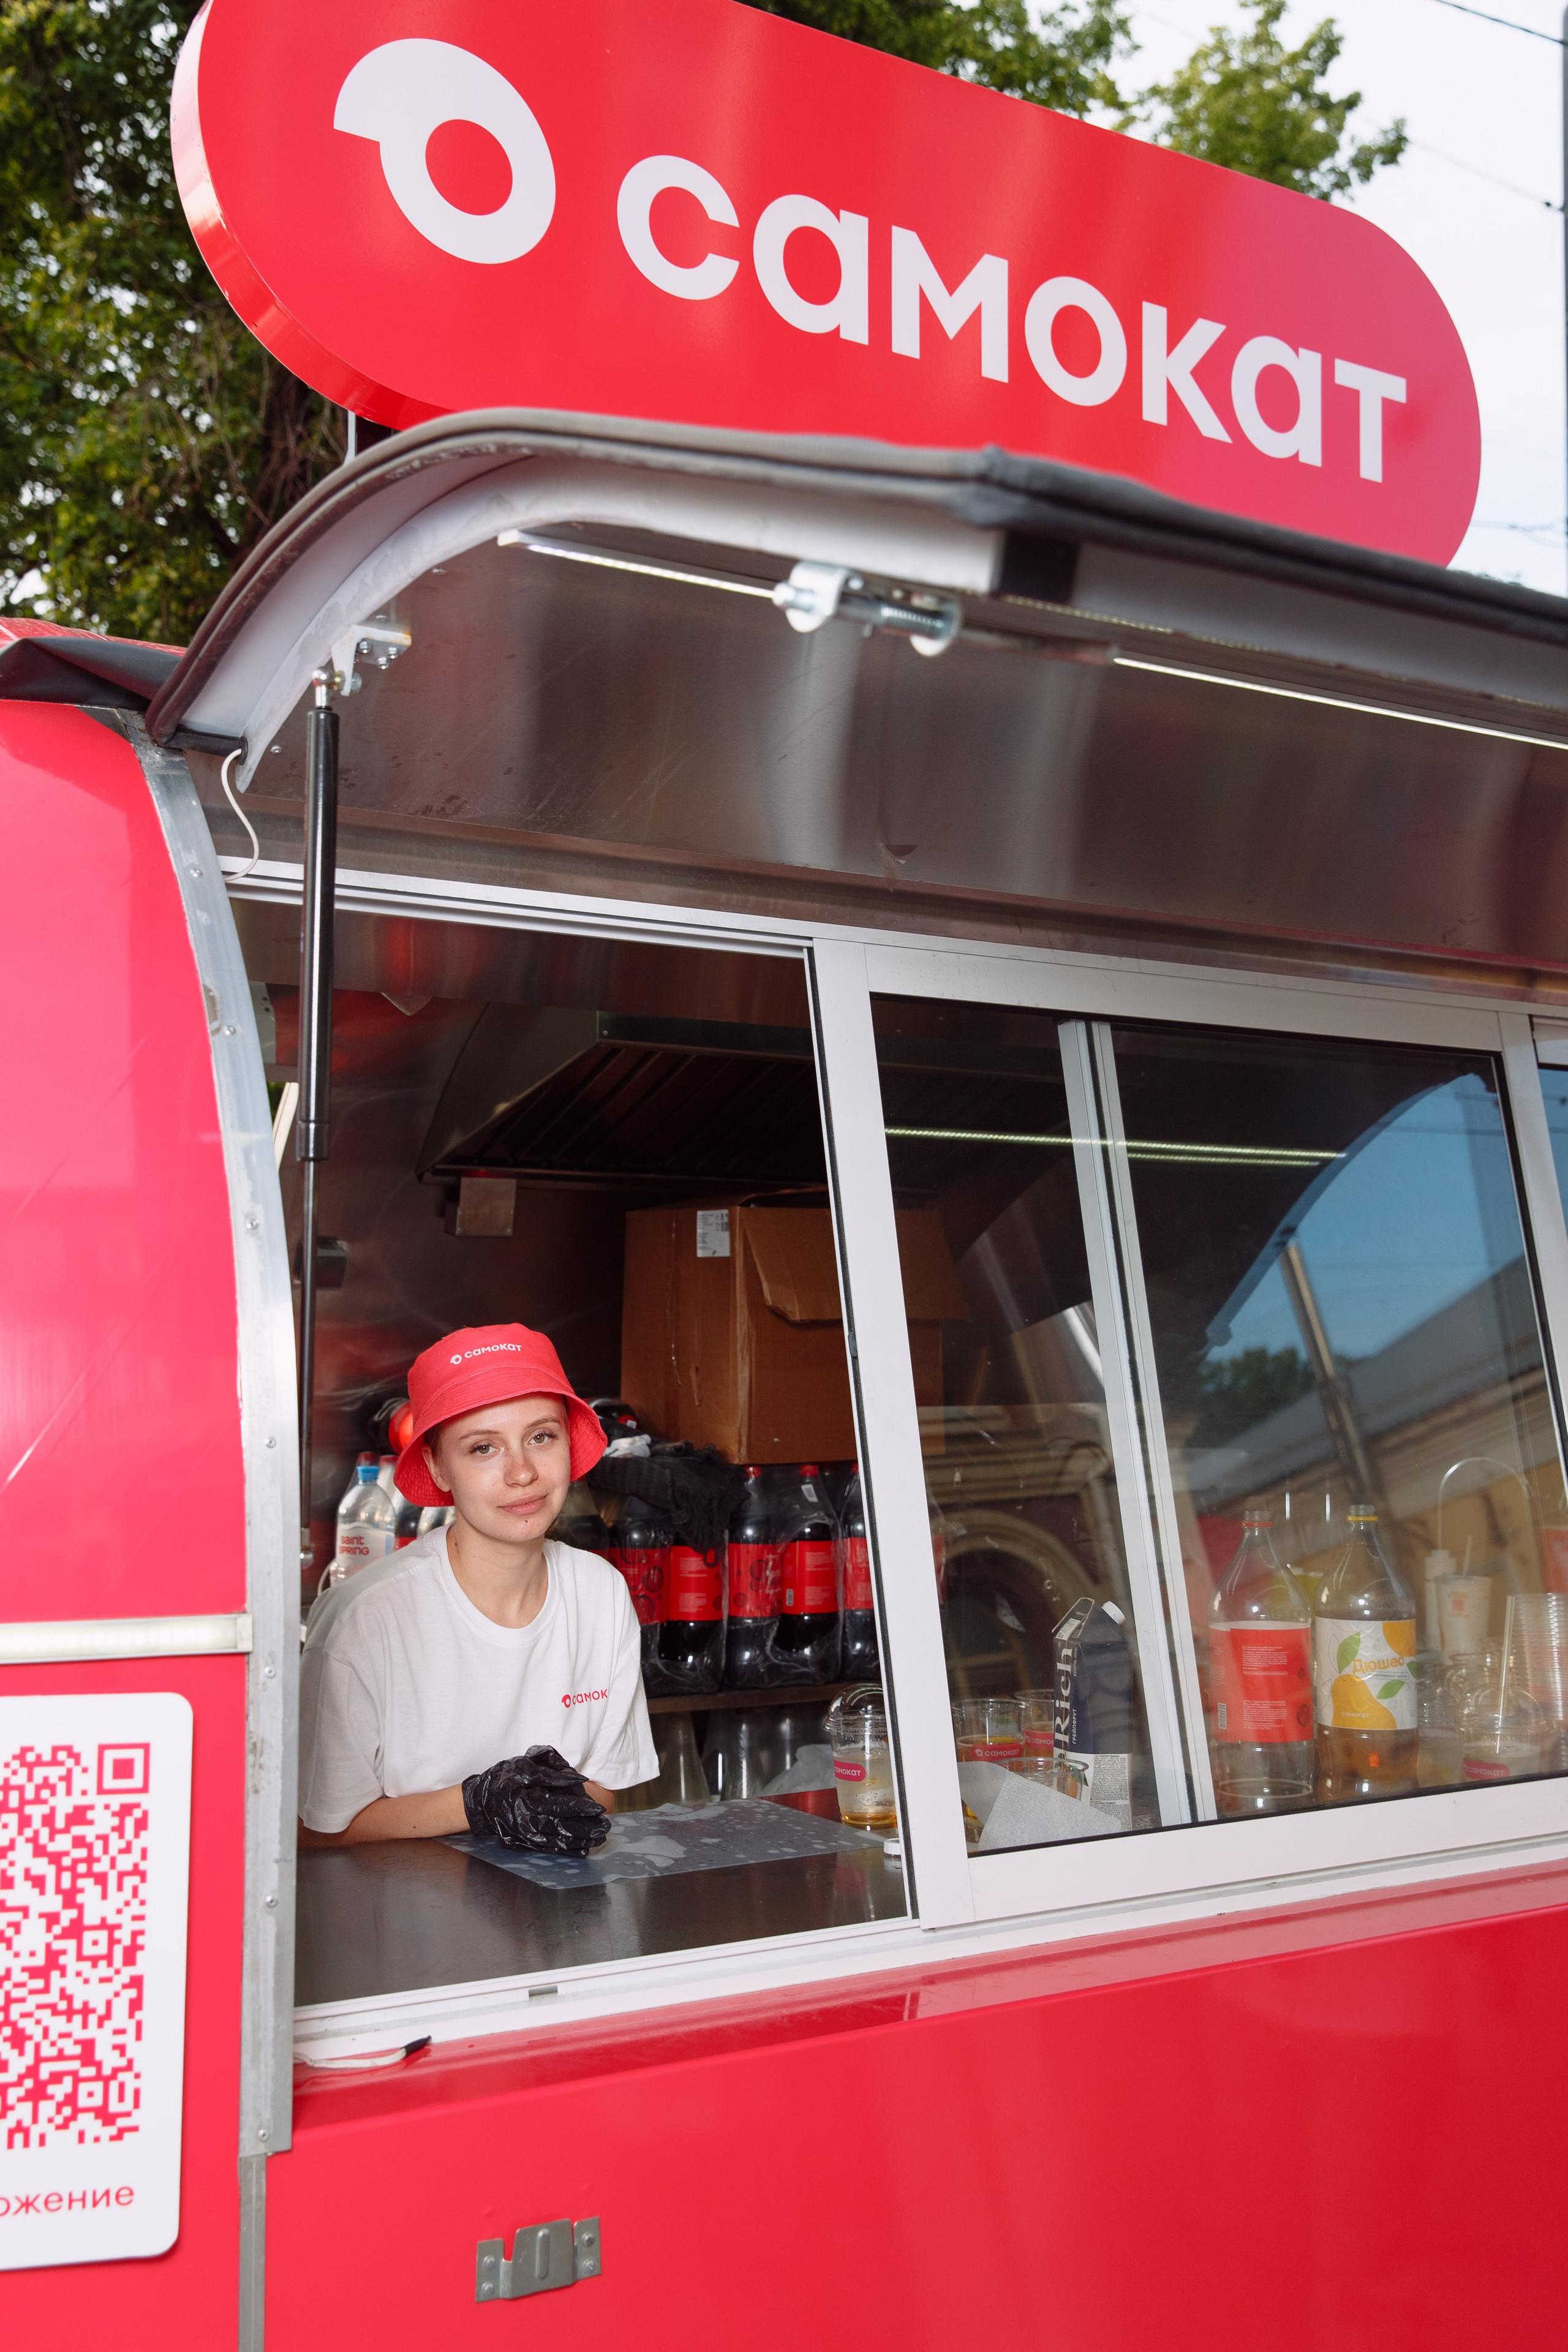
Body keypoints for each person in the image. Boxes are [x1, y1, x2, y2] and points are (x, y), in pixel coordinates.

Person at [298, 1323, 656, 1851]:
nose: (522, 1473)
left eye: (541, 1437)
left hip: (552, 1916)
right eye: (483, 1448)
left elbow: (601, 1790)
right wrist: (476, 1802)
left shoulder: (599, 1594)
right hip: (399, 1917)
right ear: (438, 1467)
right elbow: (316, 1832)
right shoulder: (366, 1619)